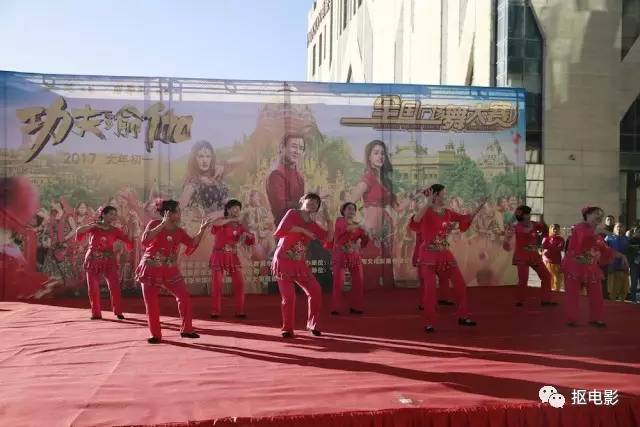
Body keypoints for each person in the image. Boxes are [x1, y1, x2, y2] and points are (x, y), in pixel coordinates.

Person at [136, 199, 212, 344]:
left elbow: (192, 243)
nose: (180, 214)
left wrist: (201, 230)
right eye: (178, 211)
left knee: (184, 296)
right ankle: (155, 335)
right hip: (151, 268)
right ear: (168, 213)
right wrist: (162, 224)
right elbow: (145, 241)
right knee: (151, 302)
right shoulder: (154, 224)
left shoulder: (179, 231)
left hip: (170, 269)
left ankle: (187, 330)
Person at [413, 184, 486, 333]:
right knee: (430, 290)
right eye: (443, 194)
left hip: (444, 254)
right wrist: (427, 203)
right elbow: (416, 220)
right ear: (435, 195)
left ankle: (463, 316)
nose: (445, 196)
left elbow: (464, 218)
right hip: (428, 255)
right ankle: (429, 322)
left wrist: (478, 208)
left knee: (460, 285)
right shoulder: (426, 212)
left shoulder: (447, 213)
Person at [272, 193, 331, 338]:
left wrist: (329, 219)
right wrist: (303, 230)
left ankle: (312, 324)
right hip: (283, 261)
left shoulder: (313, 225)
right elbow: (282, 230)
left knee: (315, 290)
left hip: (299, 263)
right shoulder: (292, 213)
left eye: (316, 203)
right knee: (289, 297)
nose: (313, 204)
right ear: (302, 201)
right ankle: (287, 328)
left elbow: (328, 239)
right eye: (310, 200)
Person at [349, 140, 404, 288]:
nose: (380, 156)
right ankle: (369, 294)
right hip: (371, 229)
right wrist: (361, 224)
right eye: (376, 153)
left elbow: (398, 208)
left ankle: (386, 295)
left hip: (386, 229)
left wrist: (418, 196)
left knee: (386, 261)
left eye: (383, 153)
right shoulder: (368, 178)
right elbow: (349, 204)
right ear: (369, 157)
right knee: (371, 262)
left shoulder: (386, 181)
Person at [563, 207, 628, 327]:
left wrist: (621, 255)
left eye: (601, 215)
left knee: (597, 293)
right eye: (596, 214)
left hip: (591, 268)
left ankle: (596, 318)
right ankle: (571, 319)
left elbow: (606, 250)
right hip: (575, 266)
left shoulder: (598, 236)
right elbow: (584, 238)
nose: (599, 216)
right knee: (573, 294)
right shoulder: (580, 227)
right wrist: (603, 231)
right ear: (587, 215)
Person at [75, 206, 133, 320]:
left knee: (114, 285)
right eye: (111, 214)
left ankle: (118, 311)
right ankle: (96, 313)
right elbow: (79, 231)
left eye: (115, 214)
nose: (113, 216)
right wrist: (92, 225)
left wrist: (129, 243)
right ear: (103, 214)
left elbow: (127, 240)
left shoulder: (115, 230)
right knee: (93, 287)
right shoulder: (94, 227)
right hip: (93, 259)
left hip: (109, 260)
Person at [209, 199, 255, 318]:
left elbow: (249, 240)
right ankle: (215, 311)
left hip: (232, 257)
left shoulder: (240, 226)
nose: (237, 210)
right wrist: (231, 220)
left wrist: (248, 236)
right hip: (219, 255)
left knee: (239, 284)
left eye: (238, 208)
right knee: (217, 285)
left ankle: (240, 310)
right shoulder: (222, 222)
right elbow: (215, 224)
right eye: (234, 208)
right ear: (228, 209)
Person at [503, 206, 555, 307]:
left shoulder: (534, 224)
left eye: (529, 214)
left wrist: (543, 223)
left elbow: (546, 233)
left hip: (534, 256)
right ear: (522, 215)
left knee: (546, 276)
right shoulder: (515, 227)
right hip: (522, 256)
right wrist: (507, 239)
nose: (529, 215)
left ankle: (546, 300)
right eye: (527, 214)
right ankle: (520, 300)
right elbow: (507, 241)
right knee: (523, 279)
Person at [329, 202, 368, 315]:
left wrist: (366, 234)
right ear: (343, 211)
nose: (351, 211)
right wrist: (361, 225)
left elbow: (364, 241)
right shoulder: (340, 221)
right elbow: (346, 228)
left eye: (353, 209)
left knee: (358, 281)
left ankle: (356, 306)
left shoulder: (358, 226)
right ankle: (336, 307)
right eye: (349, 209)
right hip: (340, 255)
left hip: (354, 256)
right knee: (339, 282)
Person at [266, 134, 306, 226]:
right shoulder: (276, 175)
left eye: (301, 148)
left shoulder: (299, 177)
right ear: (282, 148)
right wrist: (308, 202)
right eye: (294, 146)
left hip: (300, 227)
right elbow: (281, 207)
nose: (297, 151)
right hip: (284, 229)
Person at [604, 223, 630, 302]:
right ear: (614, 228)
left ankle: (622, 302)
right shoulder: (608, 238)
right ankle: (612, 302)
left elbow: (629, 252)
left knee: (624, 287)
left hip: (623, 266)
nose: (619, 228)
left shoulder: (627, 239)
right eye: (617, 227)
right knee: (612, 288)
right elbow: (604, 250)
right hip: (612, 265)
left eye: (621, 227)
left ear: (624, 228)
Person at [542, 224, 565, 292]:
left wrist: (549, 248)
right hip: (548, 261)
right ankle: (548, 290)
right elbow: (543, 248)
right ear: (550, 229)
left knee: (556, 277)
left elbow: (560, 248)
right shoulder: (547, 238)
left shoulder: (561, 239)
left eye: (557, 229)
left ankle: (556, 291)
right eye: (554, 229)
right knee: (548, 277)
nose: (555, 230)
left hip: (556, 261)